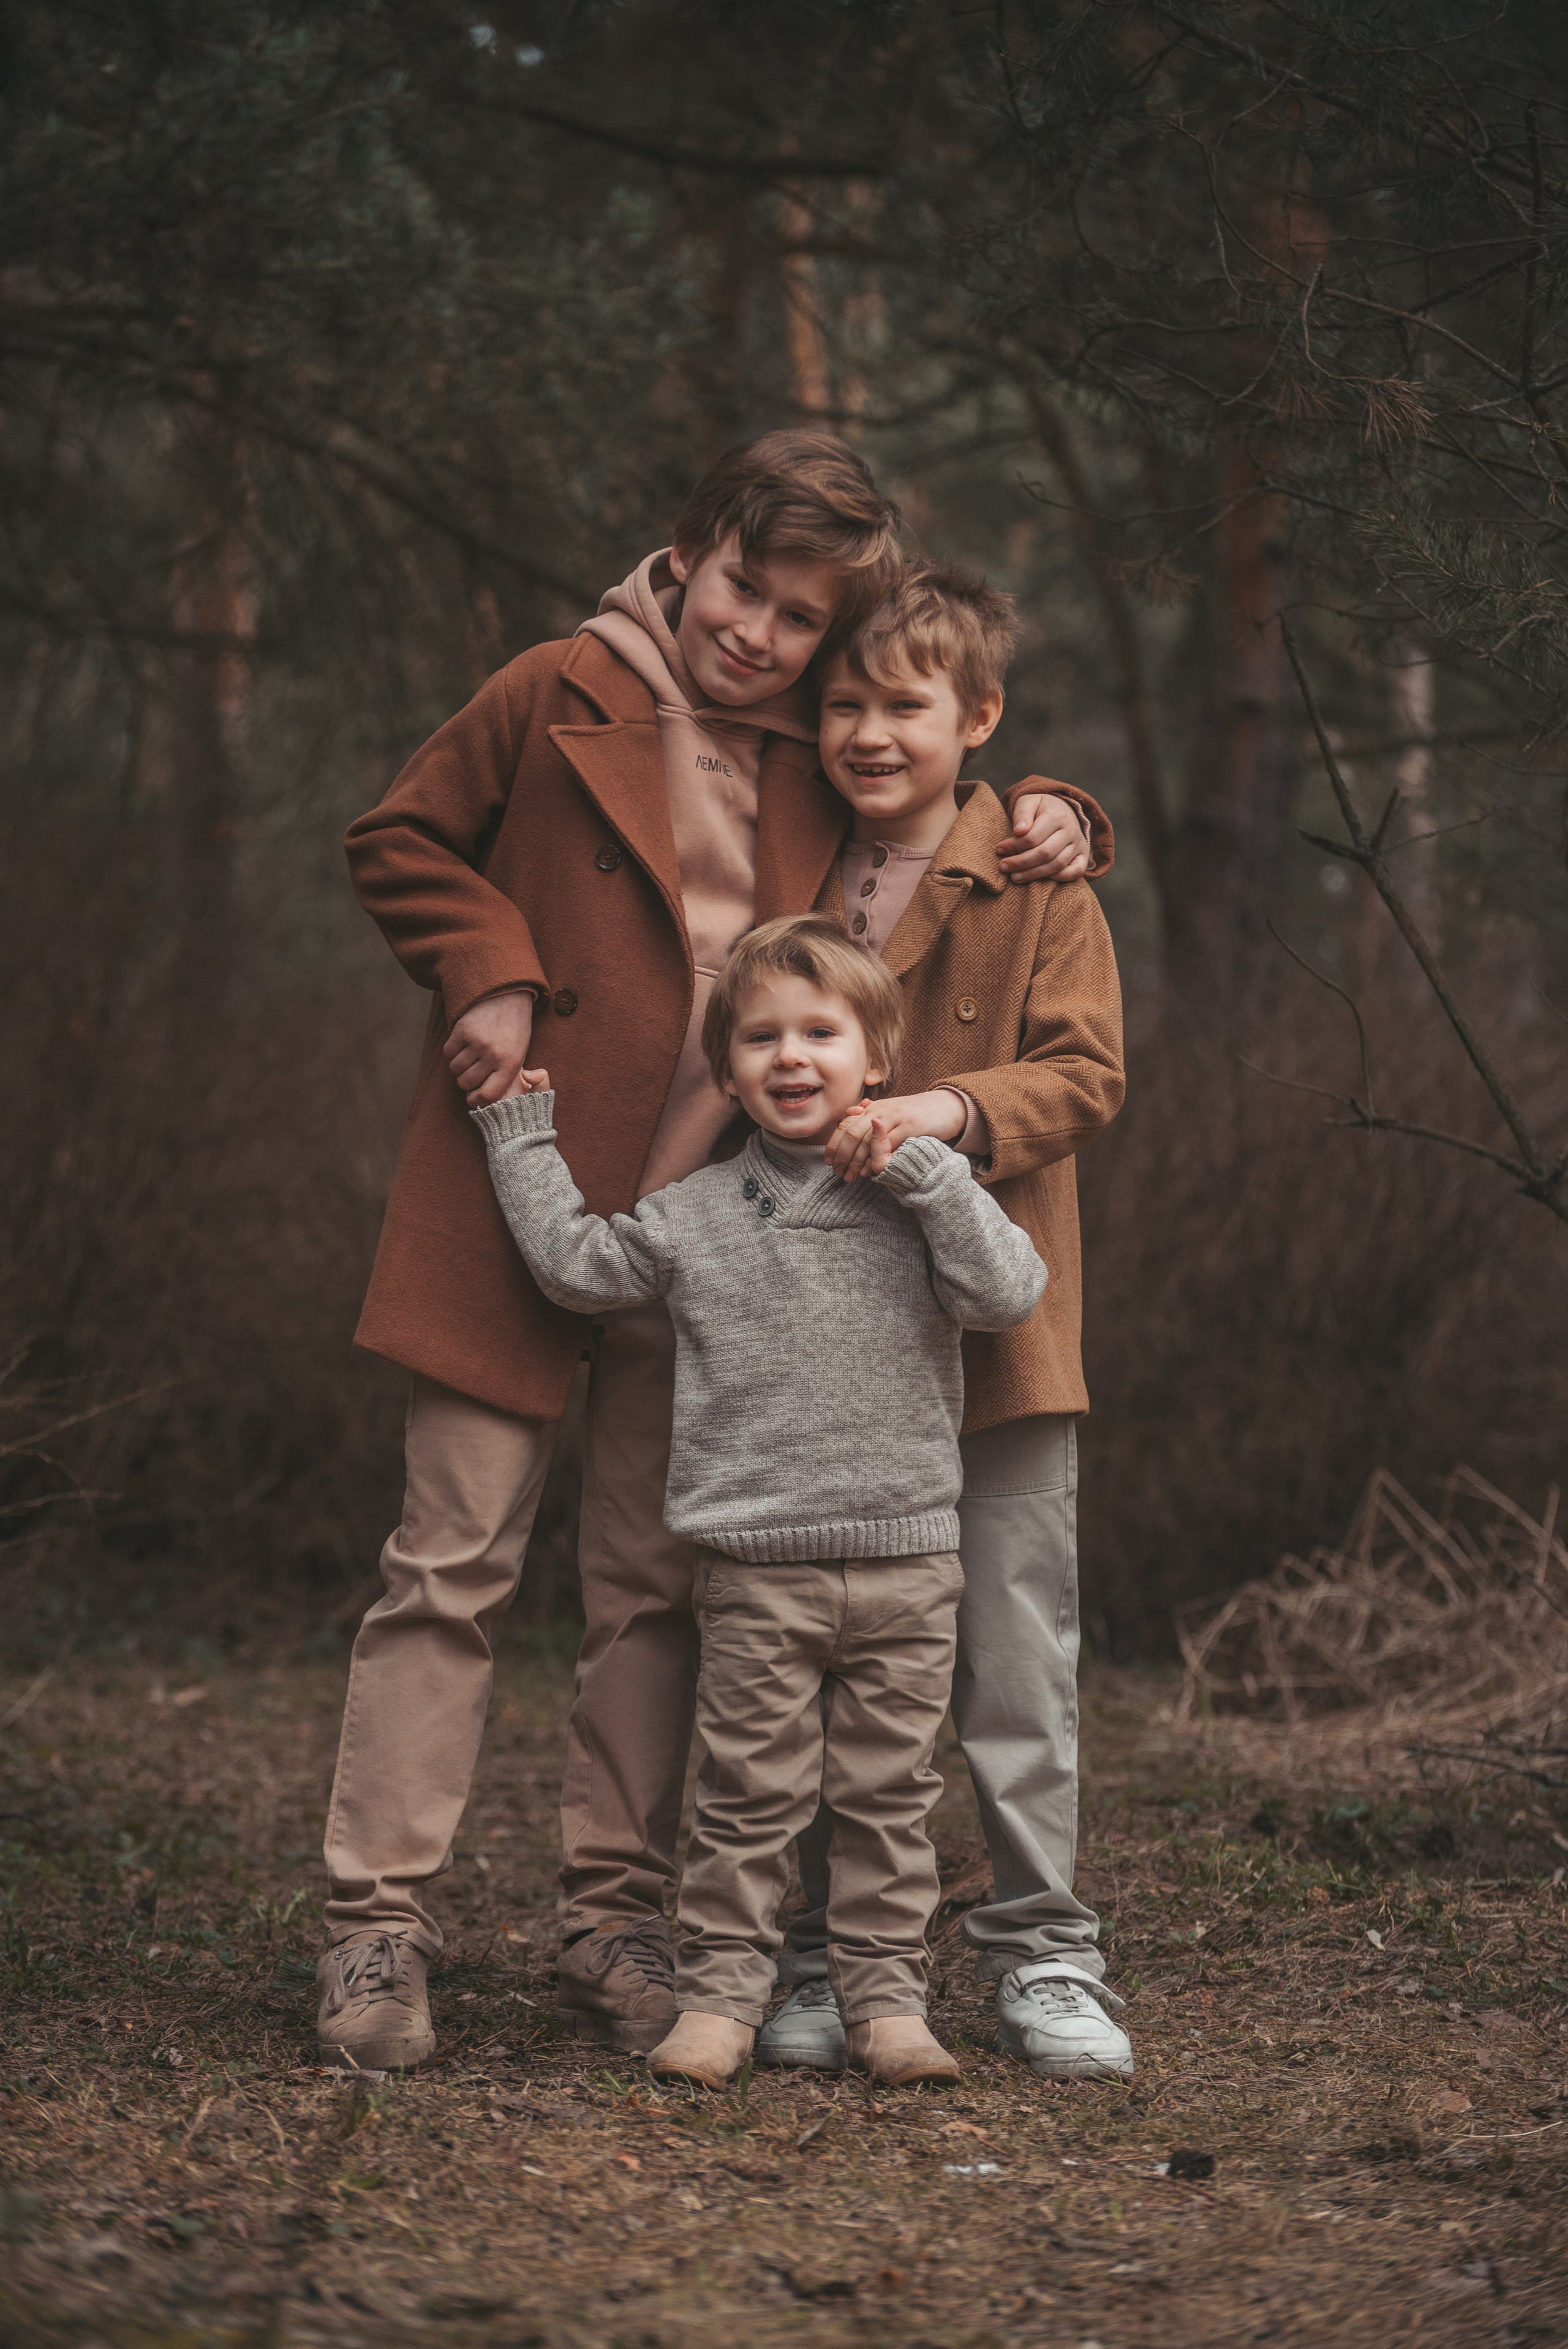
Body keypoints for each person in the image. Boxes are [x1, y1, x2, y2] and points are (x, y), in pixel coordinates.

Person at [315, 431, 1110, 2071]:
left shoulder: (820, 745)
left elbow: (936, 787)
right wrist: (489, 966)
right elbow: (397, 837)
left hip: (727, 1241)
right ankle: (374, 1924)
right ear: (688, 554)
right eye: (745, 589)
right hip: (520, 1181)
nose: (760, 634)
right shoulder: (551, 688)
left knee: (657, 1592)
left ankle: (615, 1915)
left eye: (802, 619)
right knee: (447, 1563)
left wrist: (1056, 809)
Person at [470, 918, 1046, 2088]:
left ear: (875, 1058)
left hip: (907, 1567)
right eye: (761, 1039)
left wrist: (927, 1165)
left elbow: (1009, 1294)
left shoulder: (924, 1199)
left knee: (887, 1803)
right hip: (754, 1571)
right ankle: (723, 2002)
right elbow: (580, 1269)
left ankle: (887, 2006)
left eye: (821, 1034)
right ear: (728, 1072)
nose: (792, 1058)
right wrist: (522, 1137)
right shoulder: (697, 1212)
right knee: (746, 1801)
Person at [753, 560, 1134, 2082]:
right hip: (822, 1347)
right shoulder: (788, 857)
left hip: (999, 1342)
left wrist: (944, 1111)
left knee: (1012, 1655)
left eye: (902, 705)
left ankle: (1043, 1948)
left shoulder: (1039, 879)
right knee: (814, 1655)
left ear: (975, 718)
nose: (866, 732)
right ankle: (816, 1954)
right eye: (841, 703)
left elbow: (1086, 1074)